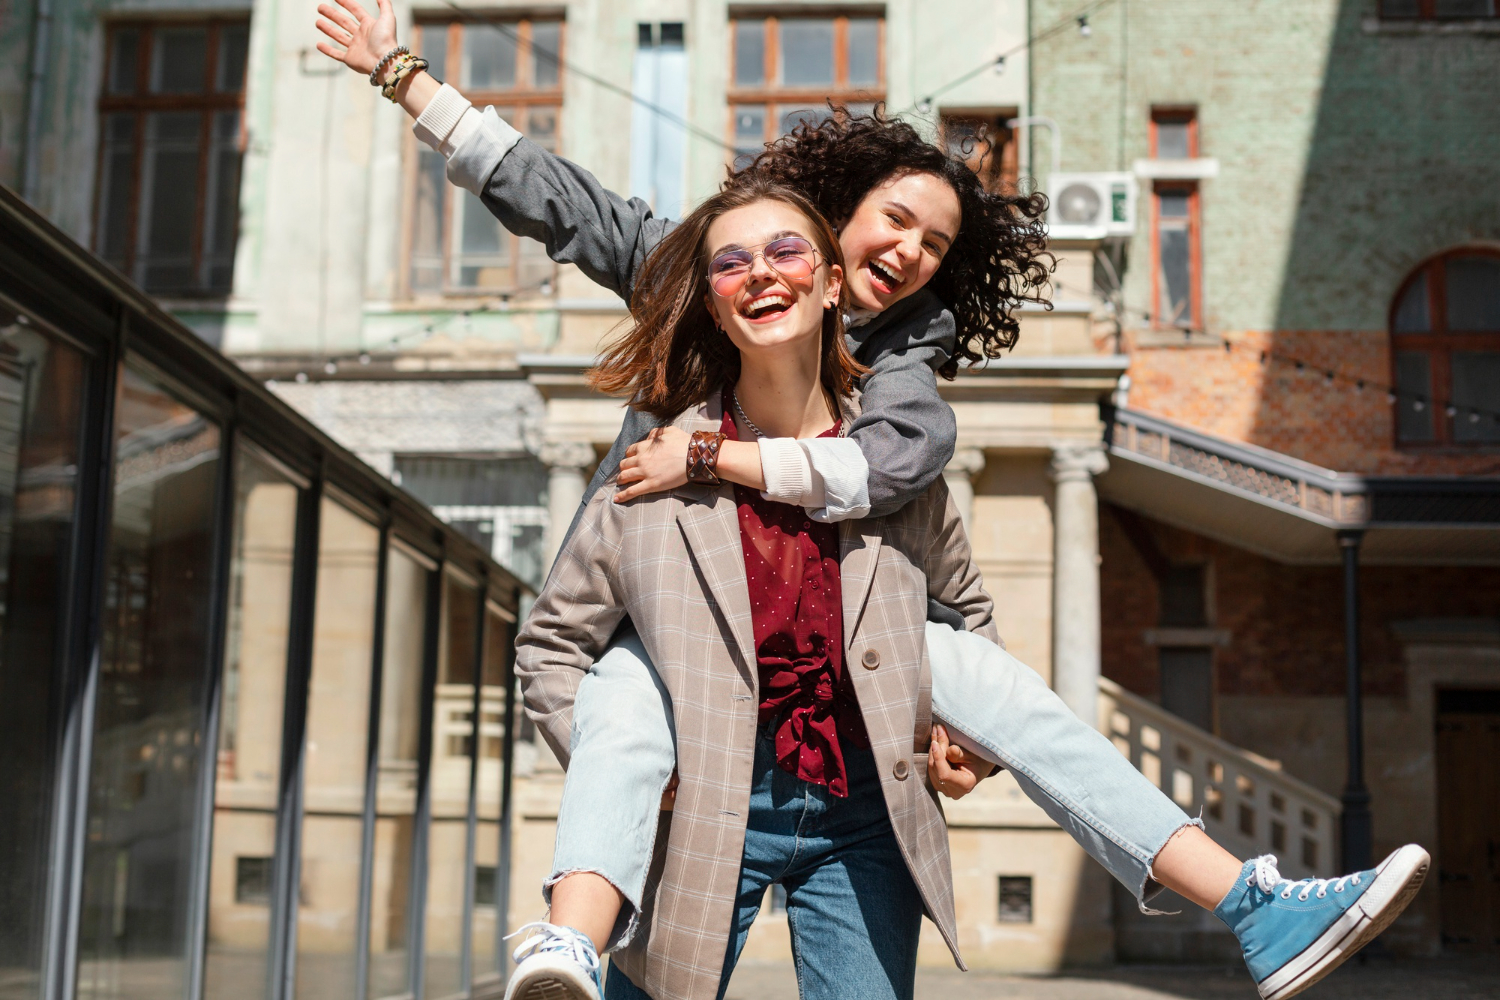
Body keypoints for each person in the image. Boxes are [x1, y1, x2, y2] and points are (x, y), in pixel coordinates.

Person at [313, 8, 1431, 1000]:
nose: (909, 250)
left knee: (1001, 688)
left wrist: (723, 464)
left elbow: (928, 534)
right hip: (697, 738)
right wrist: (403, 72)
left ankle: (1254, 903)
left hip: (854, 783)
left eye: (935, 246)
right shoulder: (695, 300)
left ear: (843, 283)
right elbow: (558, 199)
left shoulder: (899, 375)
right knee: (625, 699)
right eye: (896, 219)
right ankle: (567, 938)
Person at [521, 177, 992, 999]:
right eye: (733, 263)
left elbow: (967, 613)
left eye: (786, 252)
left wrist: (969, 738)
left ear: (832, 281)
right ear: (711, 301)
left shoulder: (890, 462)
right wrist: (627, 769)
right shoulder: (660, 460)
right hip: (705, 806)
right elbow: (553, 644)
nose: (763, 274)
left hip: (868, 818)